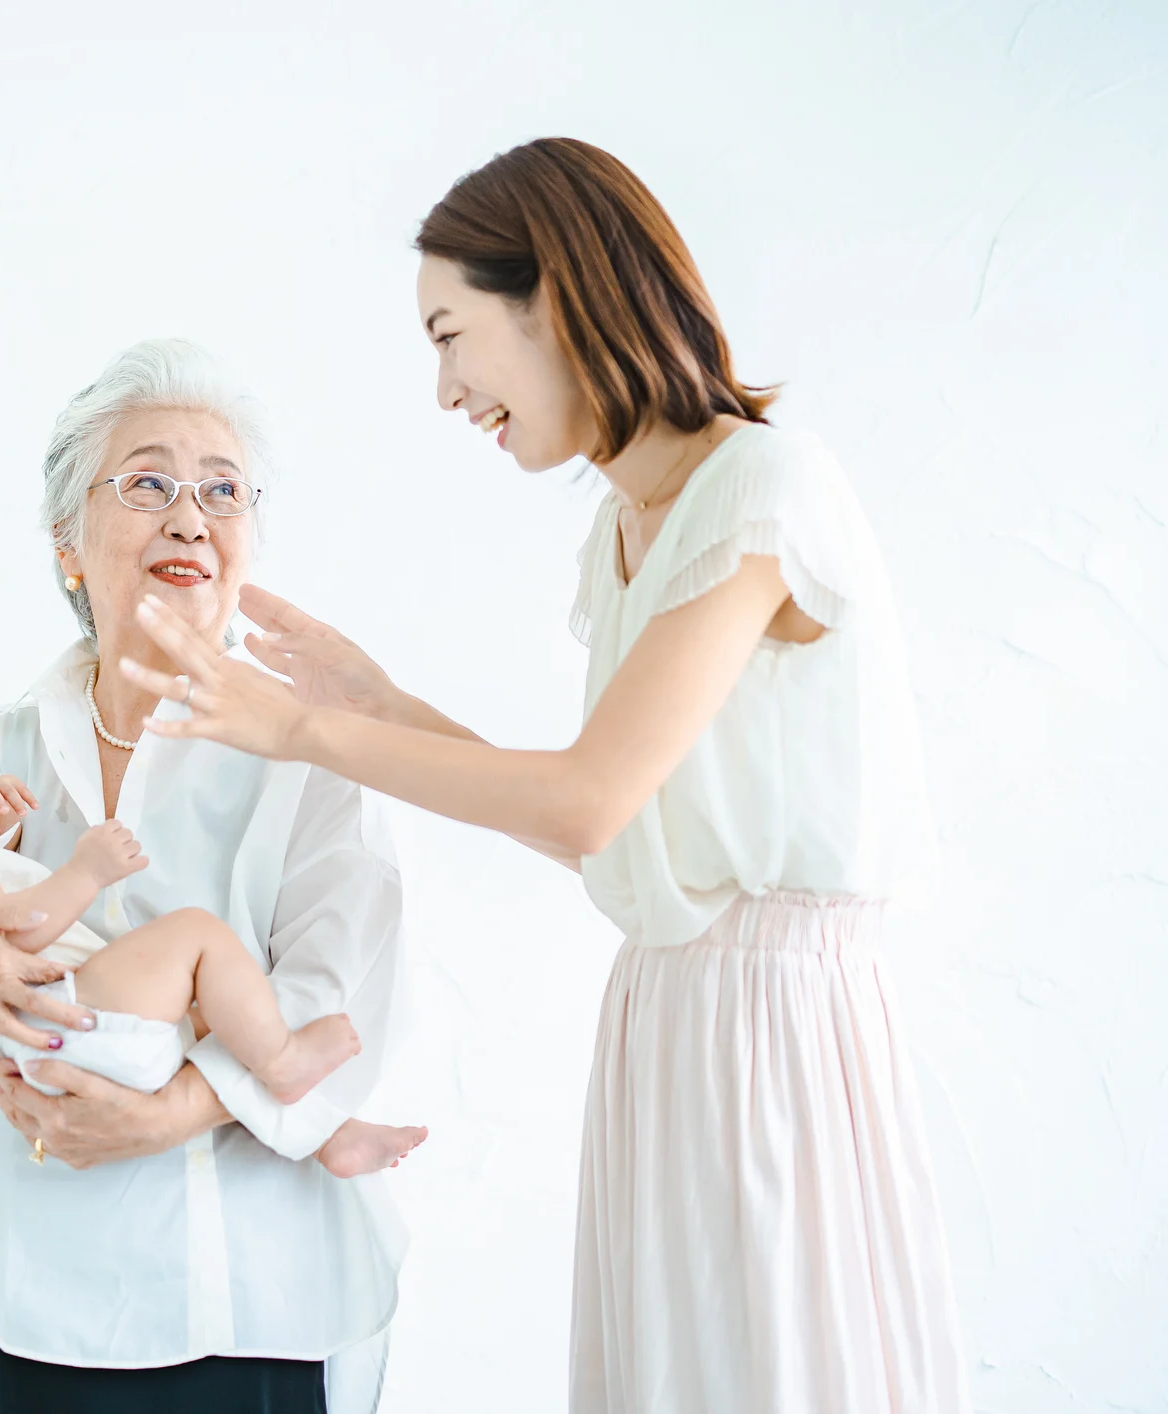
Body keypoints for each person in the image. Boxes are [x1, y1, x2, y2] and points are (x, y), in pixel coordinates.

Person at [123, 139, 970, 1413]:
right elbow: (612, 833)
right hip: (674, 1014)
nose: (450, 388)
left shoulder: (763, 491)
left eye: (454, 334)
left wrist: (300, 731)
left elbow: (588, 797)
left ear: (558, 298)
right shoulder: (632, 529)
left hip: (775, 1027)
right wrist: (380, 704)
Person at [0, 339, 409, 1411]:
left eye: (223, 490)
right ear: (68, 540)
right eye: (148, 481)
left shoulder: (310, 759)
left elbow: (341, 999)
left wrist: (167, 1114)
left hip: (238, 1292)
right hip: (2, 1282)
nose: (190, 516)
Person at [0, 677, 426, 1177]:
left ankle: (323, 1129)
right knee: (197, 939)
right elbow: (9, 927)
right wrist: (84, 871)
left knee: (202, 1000)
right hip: (67, 1023)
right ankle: (281, 1065)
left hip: (66, 1047)